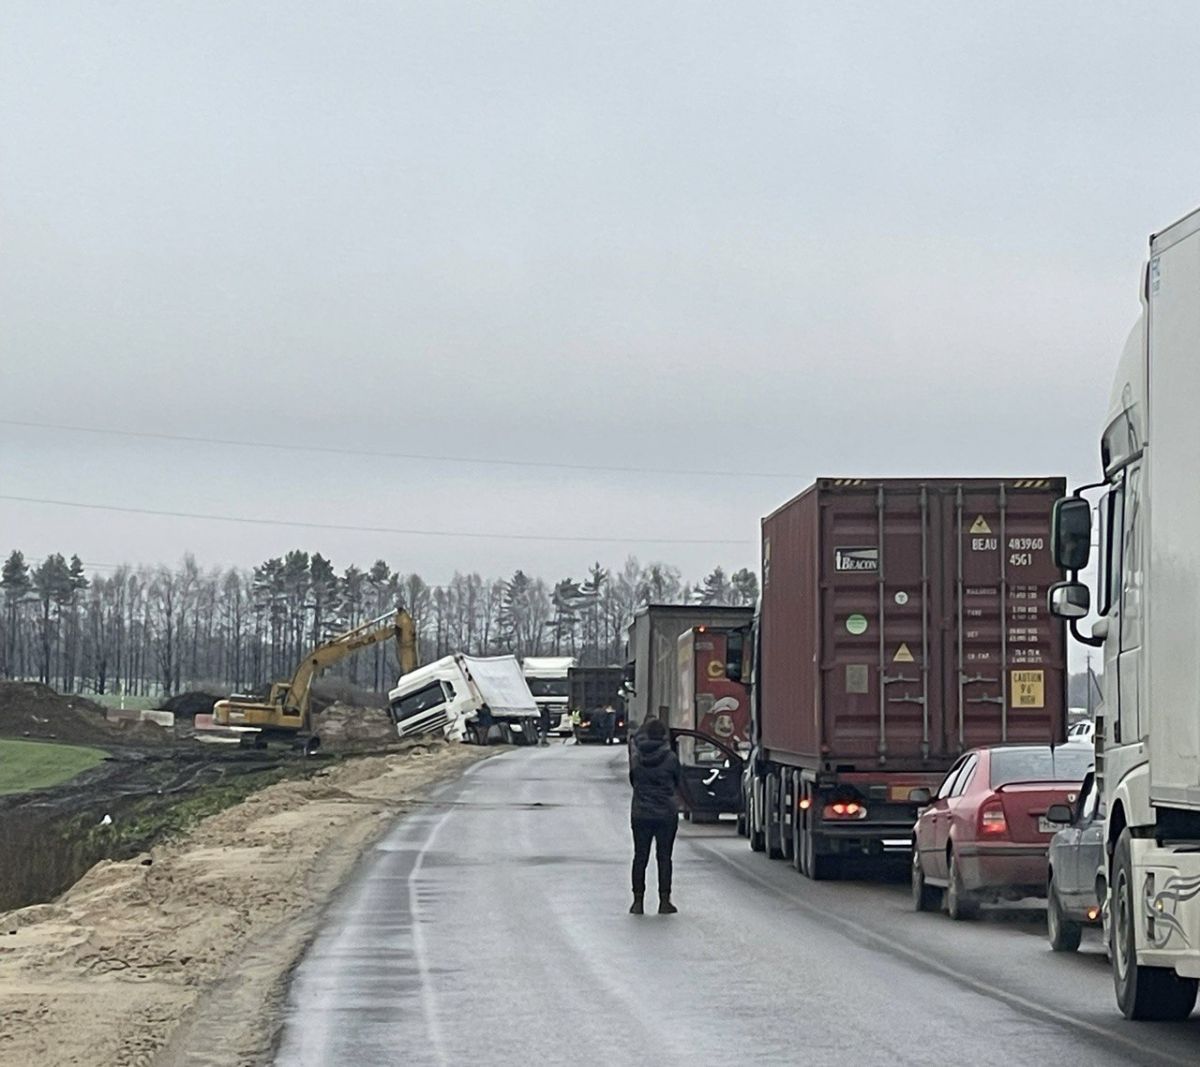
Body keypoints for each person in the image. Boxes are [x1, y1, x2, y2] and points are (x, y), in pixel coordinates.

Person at [628, 718, 682, 915]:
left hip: (640, 813)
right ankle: (664, 901)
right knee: (664, 857)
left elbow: (633, 780)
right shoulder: (671, 758)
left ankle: (637, 901)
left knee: (640, 857)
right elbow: (678, 781)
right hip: (666, 814)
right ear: (664, 736)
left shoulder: (636, 757)